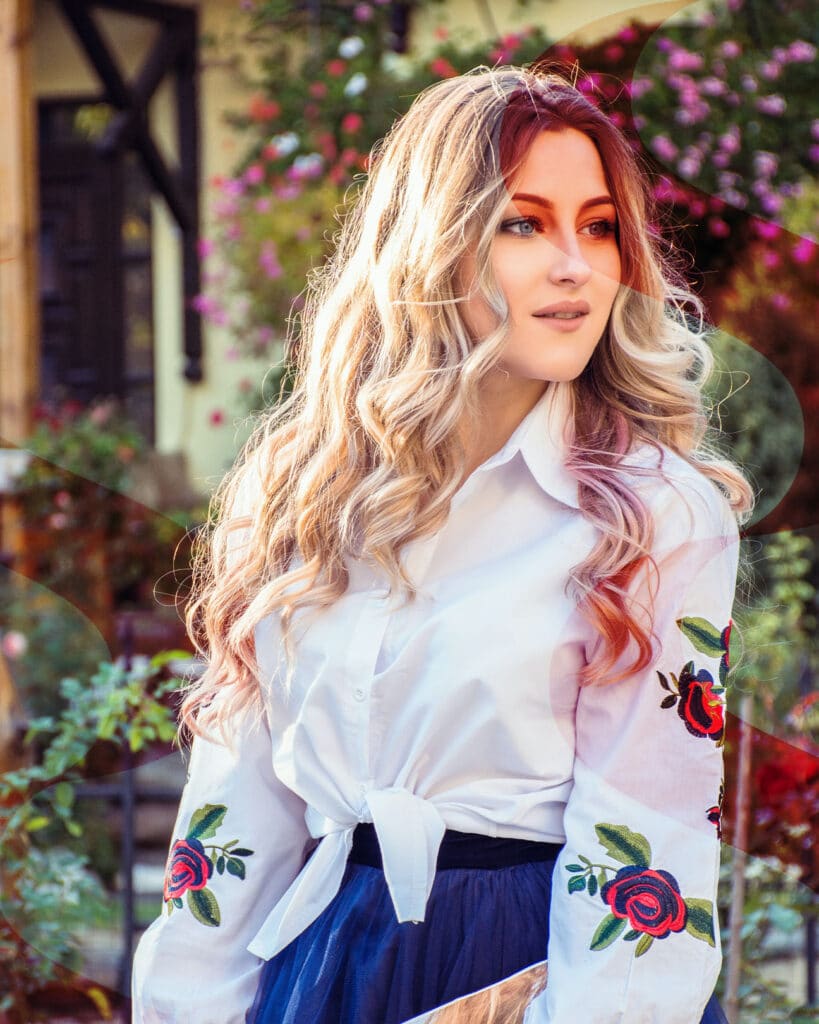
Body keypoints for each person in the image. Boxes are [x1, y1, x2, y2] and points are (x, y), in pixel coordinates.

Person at [131, 64, 754, 1023]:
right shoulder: (298, 495)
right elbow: (234, 811)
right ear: (432, 246)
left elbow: (652, 833)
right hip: (321, 964)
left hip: (540, 972)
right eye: (523, 223)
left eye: (596, 227)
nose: (574, 266)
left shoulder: (652, 513)